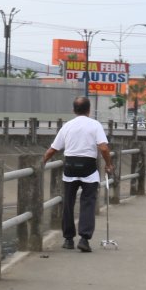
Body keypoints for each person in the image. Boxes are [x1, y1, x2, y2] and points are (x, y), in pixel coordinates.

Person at [42, 96, 114, 253]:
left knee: (68, 203)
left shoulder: (67, 126)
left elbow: (53, 149)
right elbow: (103, 148)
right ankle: (84, 239)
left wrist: (42, 163)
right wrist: (108, 164)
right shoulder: (95, 125)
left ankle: (68, 239)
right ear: (89, 110)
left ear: (73, 110)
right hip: (88, 166)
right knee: (87, 203)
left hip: (70, 166)